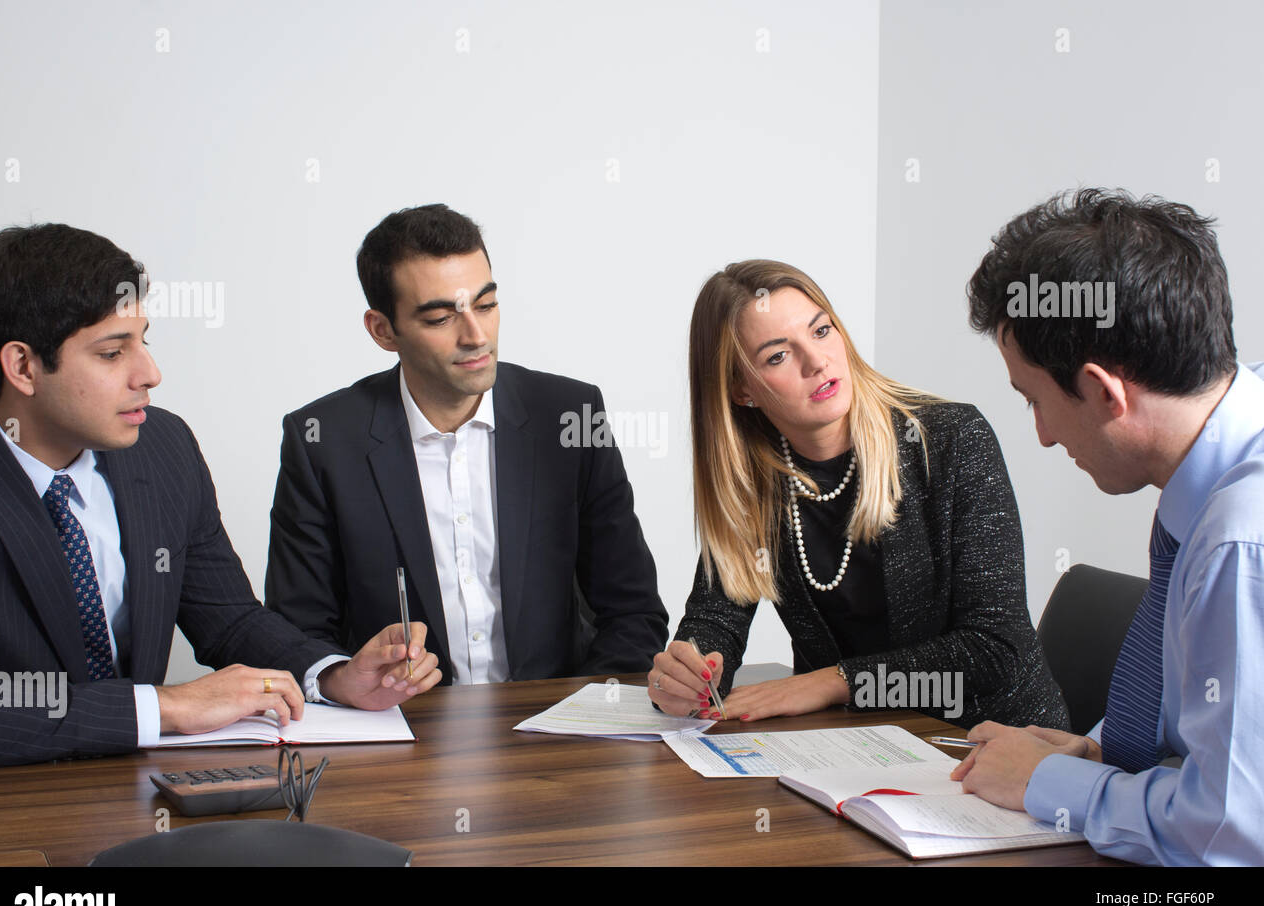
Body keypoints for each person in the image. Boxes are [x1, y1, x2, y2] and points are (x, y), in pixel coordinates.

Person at [0, 223, 440, 770]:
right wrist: (160, 707)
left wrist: (334, 677)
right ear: (23, 366)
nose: (150, 374)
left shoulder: (162, 445)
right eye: (112, 353)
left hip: (142, 796)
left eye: (144, 340)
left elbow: (228, 620)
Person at [955, 188, 1264, 865]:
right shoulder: (1224, 460)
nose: (1039, 435)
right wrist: (1095, 752)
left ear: (1103, 391)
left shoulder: (1242, 538)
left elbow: (1231, 834)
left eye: (1034, 400)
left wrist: (1051, 784)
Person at [646, 259, 1067, 729]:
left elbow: (994, 649)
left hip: (992, 746)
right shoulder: (753, 483)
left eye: (822, 331)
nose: (817, 361)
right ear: (742, 390)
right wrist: (687, 674)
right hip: (852, 749)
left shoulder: (950, 440)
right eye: (778, 356)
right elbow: (716, 621)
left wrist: (830, 681)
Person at [265, 204, 668, 683]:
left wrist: (584, 718)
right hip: (402, 733)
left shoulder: (571, 416)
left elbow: (633, 612)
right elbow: (298, 633)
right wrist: (346, 682)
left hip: (556, 726)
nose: (476, 336)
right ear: (382, 331)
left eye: (486, 304)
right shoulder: (322, 441)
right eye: (440, 318)